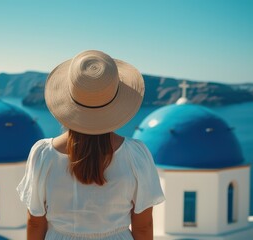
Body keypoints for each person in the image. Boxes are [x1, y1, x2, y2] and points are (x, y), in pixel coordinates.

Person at [16, 50, 165, 240]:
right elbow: (143, 227)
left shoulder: (43, 154)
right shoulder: (136, 155)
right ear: (115, 103)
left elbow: (35, 222)